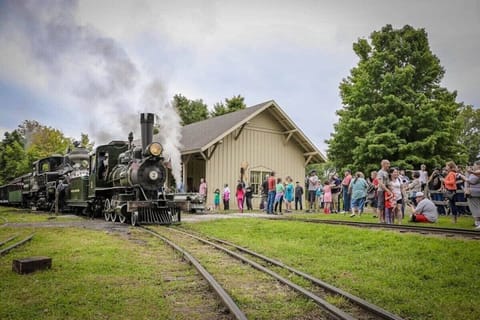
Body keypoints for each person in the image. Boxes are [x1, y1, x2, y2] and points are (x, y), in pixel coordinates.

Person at [465, 160, 480, 229]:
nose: (473, 166)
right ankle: (477, 223)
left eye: (474, 165)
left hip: (475, 192)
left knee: (475, 208)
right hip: (475, 192)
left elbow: (471, 181)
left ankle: (478, 223)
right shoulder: (474, 173)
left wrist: (464, 175)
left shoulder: (476, 173)